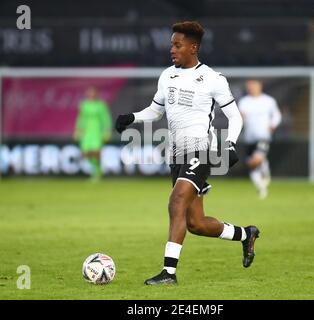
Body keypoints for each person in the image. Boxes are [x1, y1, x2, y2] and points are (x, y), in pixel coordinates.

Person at [115, 21, 260, 285]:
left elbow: (234, 116)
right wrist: (131, 117)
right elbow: (156, 111)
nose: (172, 49)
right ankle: (245, 234)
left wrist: (229, 145)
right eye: (172, 44)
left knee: (176, 201)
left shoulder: (214, 79)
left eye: (177, 45)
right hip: (176, 153)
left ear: (193, 47)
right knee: (196, 223)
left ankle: (168, 273)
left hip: (200, 150)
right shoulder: (166, 75)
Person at [238, 79, 282, 199]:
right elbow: (240, 117)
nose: (251, 88)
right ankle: (261, 186)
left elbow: (277, 115)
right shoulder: (244, 101)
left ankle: (264, 174)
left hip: (263, 136)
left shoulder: (268, 101)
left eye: (253, 86)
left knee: (256, 160)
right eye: (249, 86)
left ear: (259, 86)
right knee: (252, 165)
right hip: (249, 138)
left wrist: (273, 125)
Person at [74, 86, 112, 180]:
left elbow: (105, 118)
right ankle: (96, 168)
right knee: (85, 153)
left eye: (92, 93)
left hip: (97, 131)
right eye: (89, 93)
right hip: (86, 131)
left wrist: (107, 130)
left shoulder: (100, 105)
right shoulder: (84, 105)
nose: (91, 95)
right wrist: (78, 130)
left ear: (96, 94)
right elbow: (81, 118)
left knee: (95, 152)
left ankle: (97, 172)